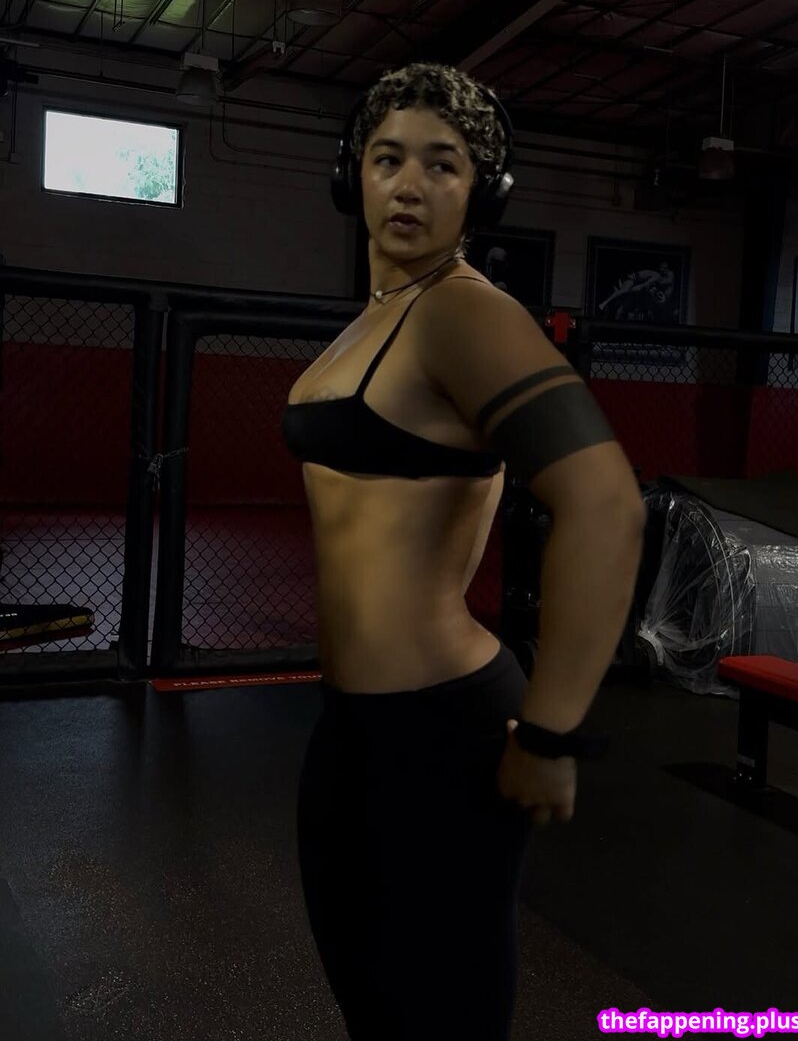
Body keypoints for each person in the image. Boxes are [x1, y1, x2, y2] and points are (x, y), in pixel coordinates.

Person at [282, 62, 646, 1041]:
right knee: (373, 1001)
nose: (409, 185)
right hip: (353, 724)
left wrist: (551, 734)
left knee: (439, 1013)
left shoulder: (464, 311)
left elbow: (605, 504)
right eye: (388, 158)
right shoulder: (377, 318)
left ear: (482, 192)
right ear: (351, 176)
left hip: (444, 729)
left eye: (443, 165)